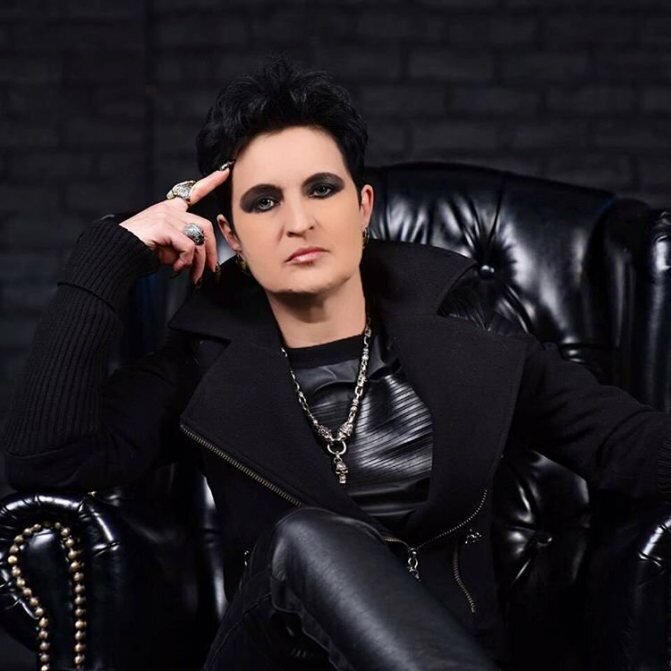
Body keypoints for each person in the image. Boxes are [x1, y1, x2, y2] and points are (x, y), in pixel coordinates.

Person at [3, 56, 671, 671]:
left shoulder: (472, 337)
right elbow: (48, 461)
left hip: (459, 649)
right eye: (264, 201)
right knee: (304, 539)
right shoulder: (199, 365)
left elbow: (631, 446)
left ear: (362, 207)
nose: (298, 221)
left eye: (321, 189)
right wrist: (110, 255)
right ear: (232, 235)